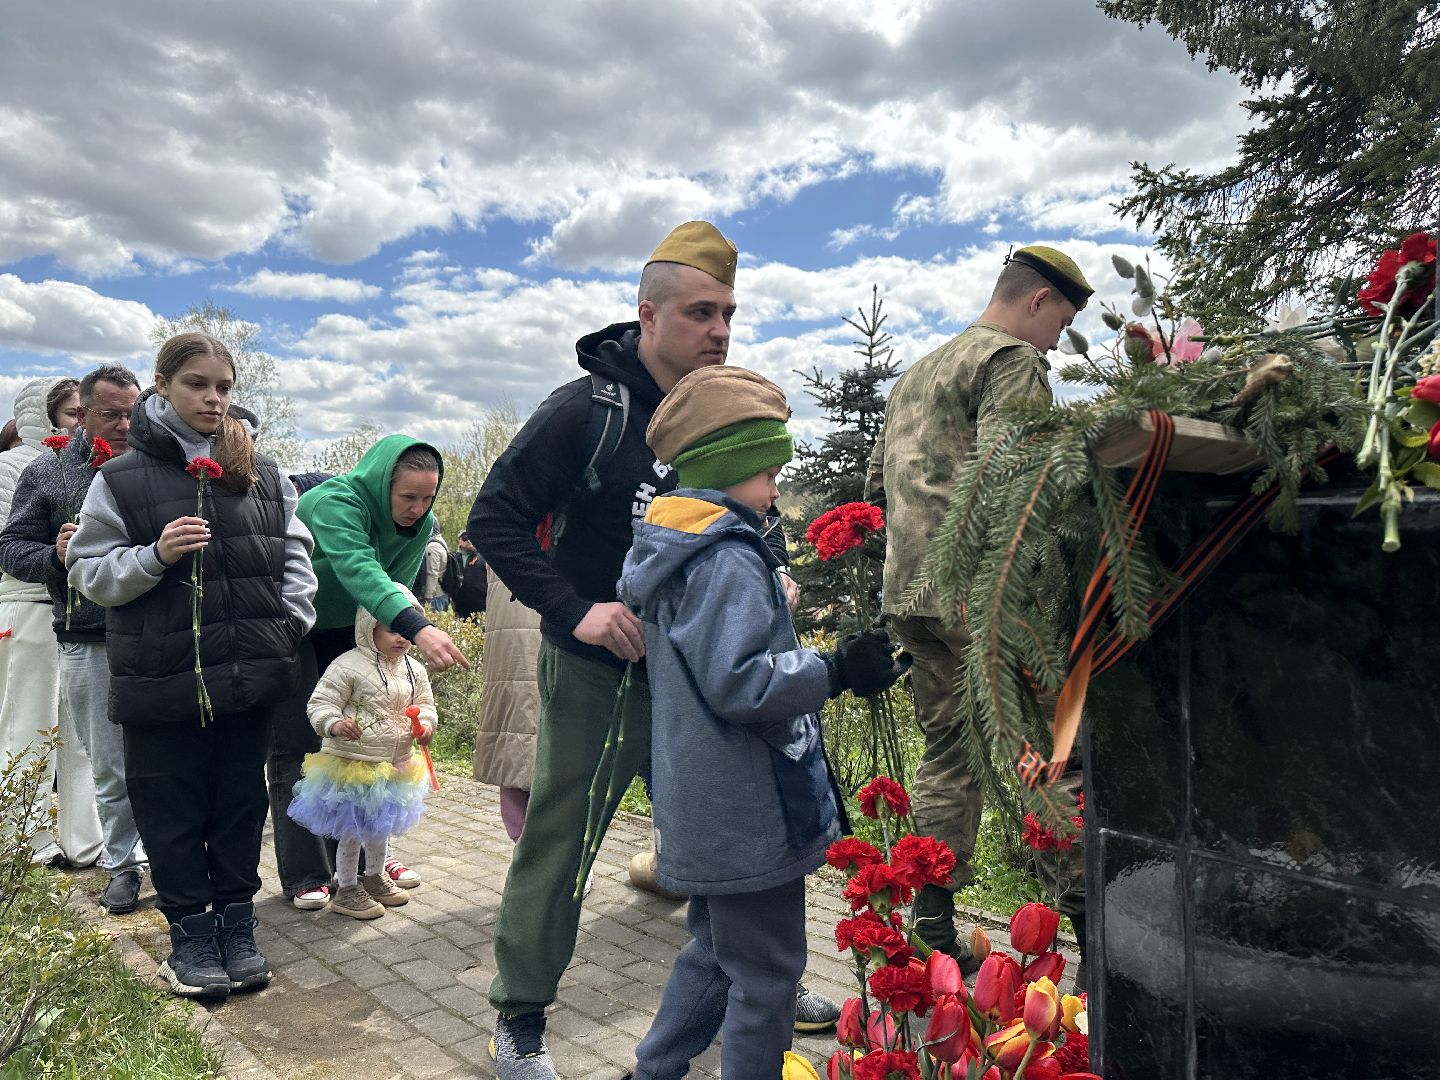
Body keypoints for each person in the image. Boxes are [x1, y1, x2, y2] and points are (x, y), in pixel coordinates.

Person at [470, 220, 837, 1078]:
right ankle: (519, 1015)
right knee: (562, 840)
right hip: (603, 672)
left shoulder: (724, 409)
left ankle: (759, 976)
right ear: (648, 314)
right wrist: (579, 612)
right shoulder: (586, 410)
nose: (719, 330)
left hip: (708, 687)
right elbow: (494, 521)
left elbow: (750, 513)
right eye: (702, 312)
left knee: (725, 835)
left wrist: (776, 577)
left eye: (729, 314)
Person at [618, 365, 908, 1079]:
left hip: (708, 802)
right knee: (769, 976)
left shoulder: (677, 549)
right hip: (748, 809)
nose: (776, 489)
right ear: (727, 467)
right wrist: (835, 670)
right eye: (768, 472)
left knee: (718, 953)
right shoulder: (725, 559)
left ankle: (654, 1071)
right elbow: (742, 683)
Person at [67, 332, 317, 998]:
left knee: (238, 807)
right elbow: (89, 572)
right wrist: (155, 556)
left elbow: (296, 559)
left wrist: (289, 625)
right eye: (197, 384)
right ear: (164, 385)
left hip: (247, 678)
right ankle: (190, 938)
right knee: (171, 811)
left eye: (224, 387)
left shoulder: (263, 473)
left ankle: (237, 926)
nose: (212, 399)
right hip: (160, 682)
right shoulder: (119, 479)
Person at [866, 245, 1093, 970]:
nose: (1058, 339)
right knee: (1056, 757)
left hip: (910, 596)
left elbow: (877, 489)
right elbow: (1018, 473)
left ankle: (930, 927)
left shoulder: (919, 371)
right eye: (1060, 319)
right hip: (986, 597)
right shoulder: (1009, 361)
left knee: (949, 755)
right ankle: (1100, 948)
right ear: (1035, 301)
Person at [269, 434, 468, 910]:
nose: (418, 509)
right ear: (382, 486)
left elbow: (396, 584)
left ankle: (363, 864)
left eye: (427, 498)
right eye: (407, 497)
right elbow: (360, 568)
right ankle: (307, 872)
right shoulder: (337, 503)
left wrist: (394, 646)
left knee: (370, 742)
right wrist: (419, 628)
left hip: (356, 628)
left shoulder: (423, 525)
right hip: (295, 626)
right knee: (301, 739)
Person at [0, 364, 148, 914]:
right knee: (105, 760)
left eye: (132, 411)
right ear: (81, 414)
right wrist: (56, 558)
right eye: (110, 414)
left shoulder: (156, 462)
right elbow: (11, 545)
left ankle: (165, 854)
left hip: (156, 632)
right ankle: (122, 864)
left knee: (157, 755)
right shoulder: (50, 469)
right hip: (86, 632)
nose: (124, 424)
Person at [0, 375, 103, 870]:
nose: (81, 424)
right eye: (71, 414)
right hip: (28, 607)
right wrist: (56, 555)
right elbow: (8, 547)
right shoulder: (14, 467)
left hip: (75, 614)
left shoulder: (86, 468)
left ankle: (87, 840)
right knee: (29, 727)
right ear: (45, 417)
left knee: (81, 736)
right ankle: (26, 843)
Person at [287, 584, 436, 920]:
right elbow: (321, 702)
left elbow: (424, 705)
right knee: (353, 830)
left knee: (380, 827)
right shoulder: (348, 664)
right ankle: (348, 887)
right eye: (391, 629)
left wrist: (425, 725)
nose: (401, 638)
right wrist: (334, 723)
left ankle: (375, 876)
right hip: (354, 763)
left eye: (408, 631)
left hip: (394, 764)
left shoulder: (414, 669)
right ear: (370, 627)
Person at [472, 576, 541, 841]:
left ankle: (543, 853)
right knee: (515, 741)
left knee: (518, 740)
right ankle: (531, 850)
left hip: (524, 626)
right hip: (517, 626)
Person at [449, 530, 489, 620]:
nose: (469, 541)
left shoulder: (484, 557)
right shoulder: (453, 558)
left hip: (481, 606)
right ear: (459, 540)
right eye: (465, 538)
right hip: (460, 606)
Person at [415, 520, 450, 611]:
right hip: (439, 595)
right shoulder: (440, 541)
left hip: (435, 597)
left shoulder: (433, 546)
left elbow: (432, 573)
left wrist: (428, 598)